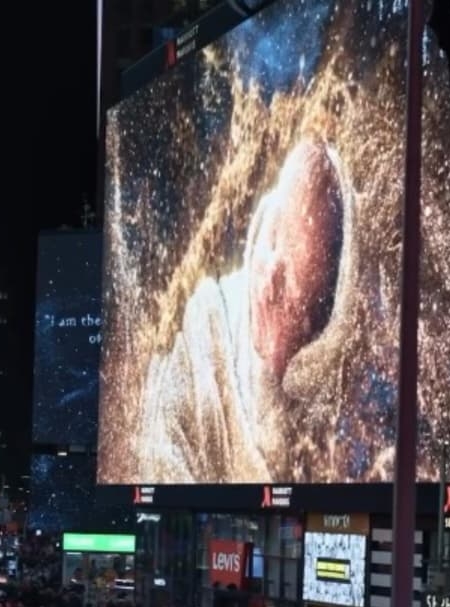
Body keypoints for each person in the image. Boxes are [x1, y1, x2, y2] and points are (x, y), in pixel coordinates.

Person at [134, 136, 382, 484]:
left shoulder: (336, 414)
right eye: (273, 238)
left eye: (288, 286)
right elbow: (159, 454)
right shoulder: (207, 326)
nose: (268, 280)